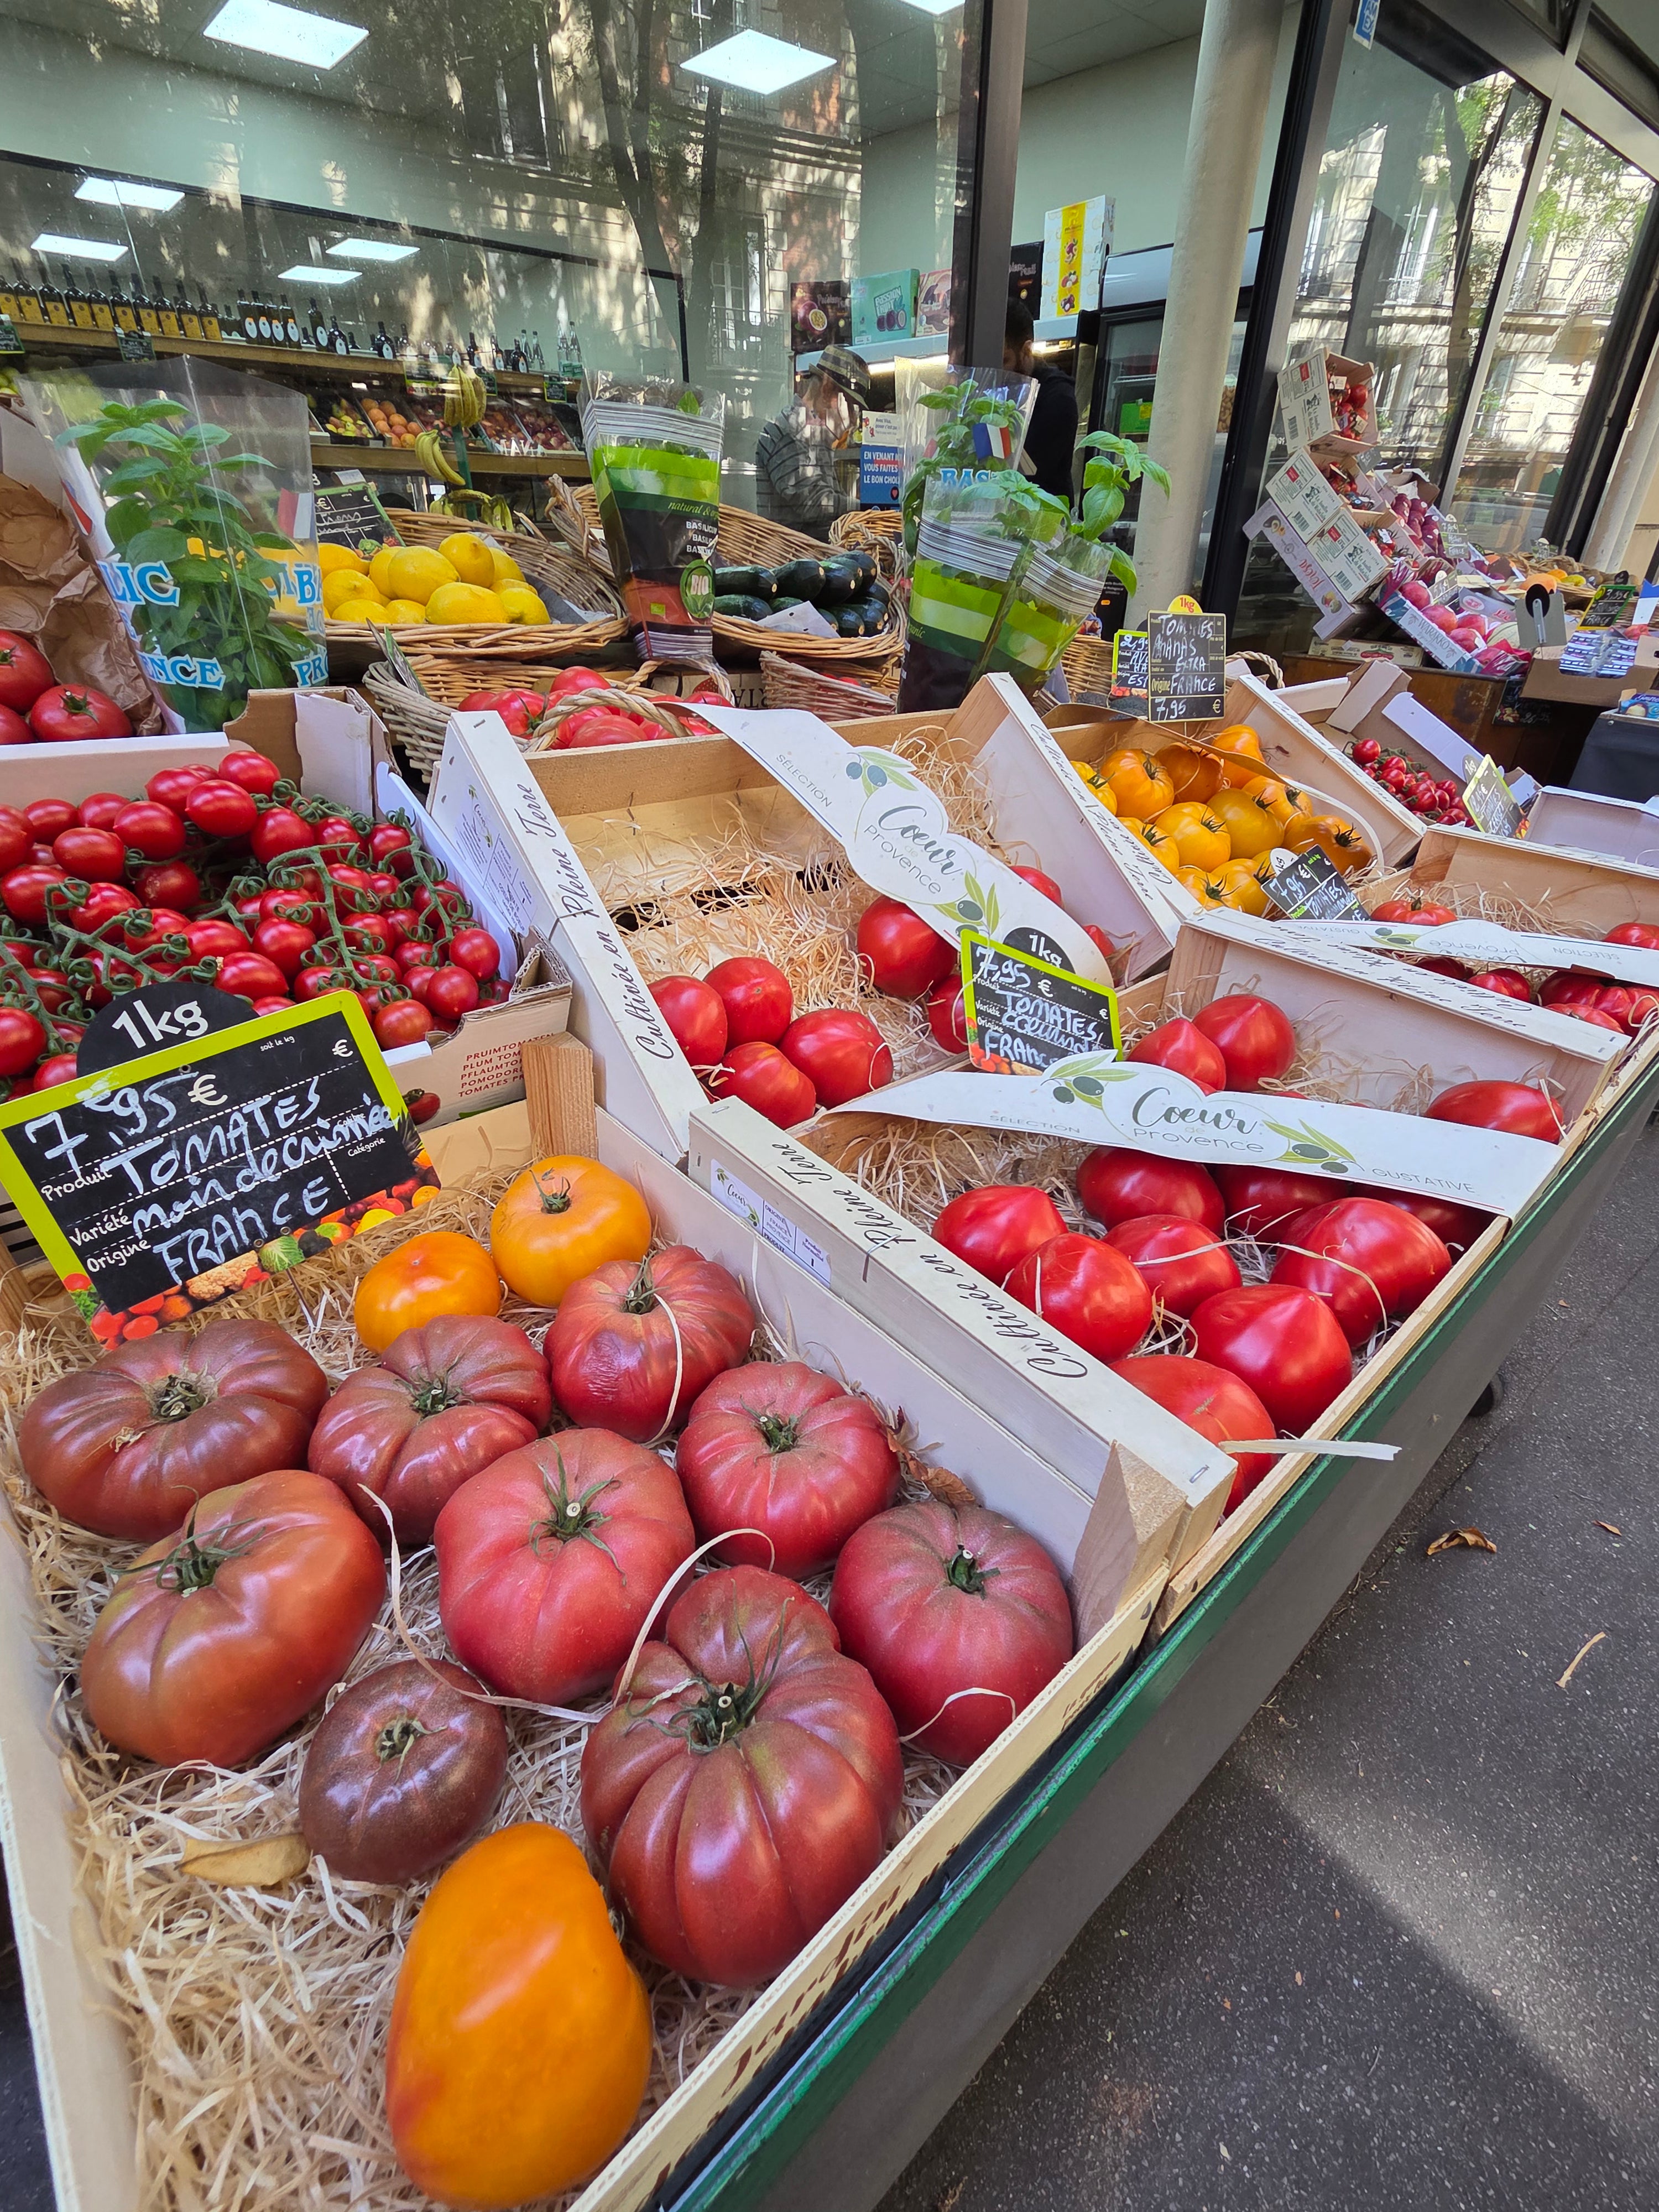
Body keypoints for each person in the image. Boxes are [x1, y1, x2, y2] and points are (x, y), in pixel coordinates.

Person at [754, 344, 872, 534]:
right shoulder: (788, 429)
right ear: (826, 389)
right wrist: (871, 507)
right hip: (790, 558)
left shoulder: (818, 436)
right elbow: (814, 503)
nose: (852, 420)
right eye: (850, 406)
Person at [1005, 299, 1078, 503]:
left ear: (1027, 350)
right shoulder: (1002, 391)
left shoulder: (1058, 397)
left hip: (1044, 523)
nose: (998, 373)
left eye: (1005, 361)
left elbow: (1029, 472)